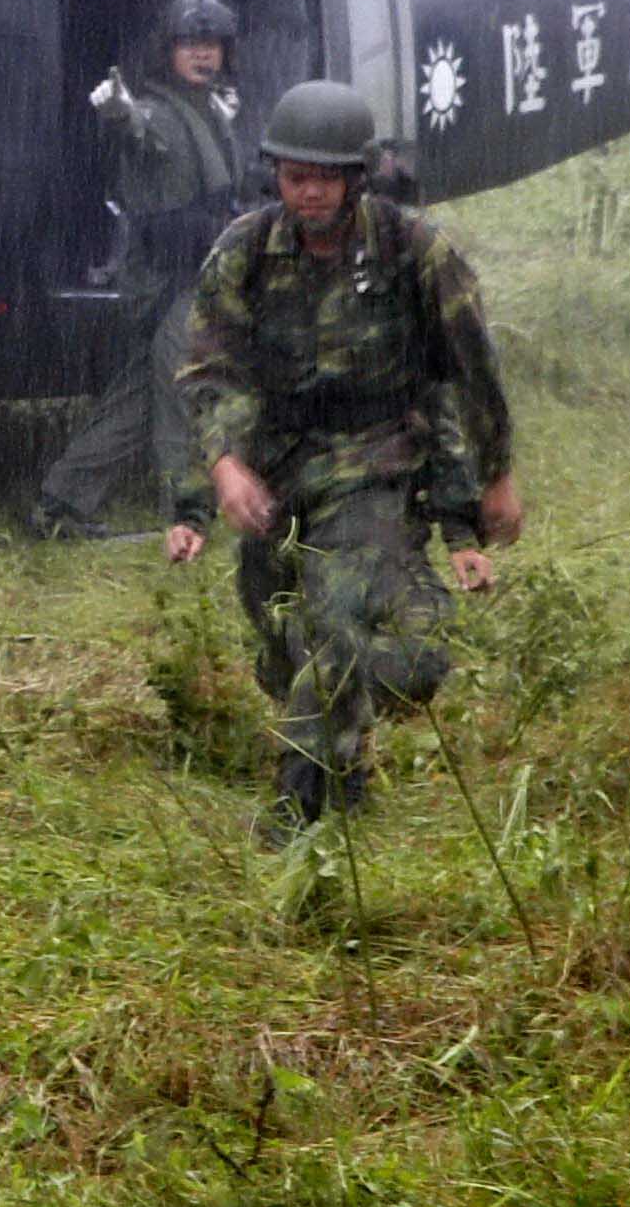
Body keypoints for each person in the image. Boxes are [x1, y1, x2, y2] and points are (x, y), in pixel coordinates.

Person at [171, 80, 520, 834]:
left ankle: (295, 820)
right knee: (282, 639)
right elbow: (207, 370)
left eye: (326, 178)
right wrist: (224, 465)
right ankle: (344, 762)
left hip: (376, 461)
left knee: (358, 632)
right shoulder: (245, 251)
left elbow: (474, 369)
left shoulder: (412, 249)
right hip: (277, 466)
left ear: (356, 178)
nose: (310, 194)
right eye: (296, 177)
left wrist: (494, 478)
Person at [36, 0, 248, 538]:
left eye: (212, 44)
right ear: (167, 51)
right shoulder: (157, 110)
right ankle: (186, 516)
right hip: (166, 278)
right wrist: (119, 112)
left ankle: (61, 503)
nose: (203, 55)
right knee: (183, 390)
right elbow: (137, 128)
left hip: (193, 274)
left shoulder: (211, 109)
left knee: (136, 403)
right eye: (189, 45)